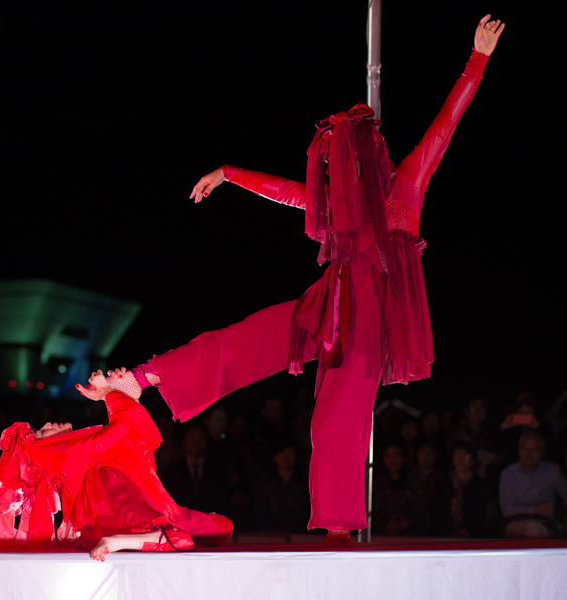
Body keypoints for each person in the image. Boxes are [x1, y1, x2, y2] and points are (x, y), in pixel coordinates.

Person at [102, 15, 504, 547]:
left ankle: (338, 532)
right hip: (327, 307)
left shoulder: (405, 188)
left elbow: (444, 127)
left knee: (333, 424)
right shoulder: (337, 207)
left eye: (343, 162)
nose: (336, 174)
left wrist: (477, 59)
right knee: (245, 337)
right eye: (332, 165)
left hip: (367, 331)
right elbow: (286, 191)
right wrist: (228, 174)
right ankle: (145, 378)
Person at [0, 371, 233, 560]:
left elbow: (130, 432)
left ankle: (123, 539)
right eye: (41, 432)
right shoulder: (74, 454)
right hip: (115, 511)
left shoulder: (79, 455)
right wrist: (109, 392)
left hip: (109, 513)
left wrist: (120, 394)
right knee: (189, 535)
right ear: (46, 450)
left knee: (223, 527)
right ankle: (118, 541)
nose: (47, 425)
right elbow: (126, 425)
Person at [499, 430, 567, 538]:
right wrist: (535, 509)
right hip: (516, 522)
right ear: (518, 450)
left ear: (542, 452)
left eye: (534, 450)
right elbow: (507, 509)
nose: (529, 454)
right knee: (533, 527)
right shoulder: (508, 474)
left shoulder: (553, 471)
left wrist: (560, 511)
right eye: (524, 449)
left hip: (547, 523)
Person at [429, 443, 490, 537]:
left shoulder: (479, 484)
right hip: (444, 535)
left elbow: (480, 514)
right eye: (457, 455)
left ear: (472, 460)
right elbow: (436, 511)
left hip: (471, 536)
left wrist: (467, 532)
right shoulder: (442, 482)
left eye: (465, 454)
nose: (461, 458)